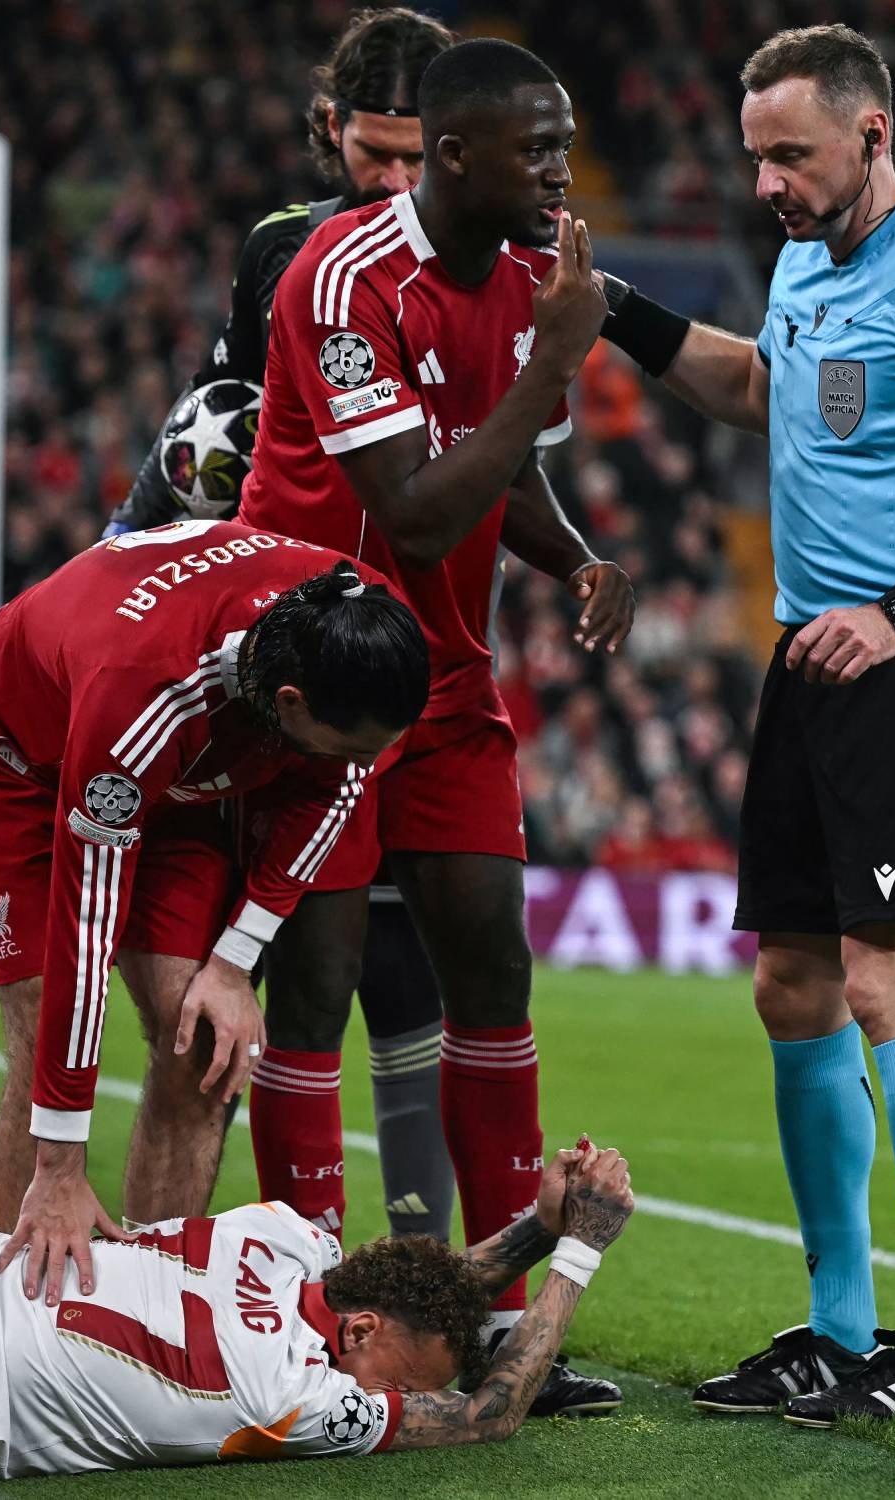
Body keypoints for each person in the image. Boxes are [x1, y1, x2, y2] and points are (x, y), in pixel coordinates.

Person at [591, 24, 895, 1423]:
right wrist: (615, 305)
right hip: (813, 658)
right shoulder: (809, 262)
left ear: (872, 136)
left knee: (884, 979)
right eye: (755, 159)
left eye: (790, 156)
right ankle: (838, 1326)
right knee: (790, 985)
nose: (767, 187)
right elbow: (762, 391)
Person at [236, 35, 633, 1417]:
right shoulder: (340, 280)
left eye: (564, 144)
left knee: (495, 978)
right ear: (455, 157)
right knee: (318, 989)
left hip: (452, 685)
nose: (557, 172)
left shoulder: (532, 280)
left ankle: (506, 1332)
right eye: (535, 149)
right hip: (325, 691)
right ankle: (310, 1315)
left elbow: (497, 471)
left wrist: (572, 551)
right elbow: (409, 506)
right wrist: (556, 365)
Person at [105, 6, 462, 1247]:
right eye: (377, 153)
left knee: (420, 979)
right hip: (304, 655)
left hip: (435, 655)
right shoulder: (284, 252)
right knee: (306, 974)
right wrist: (123, 545)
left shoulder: (496, 251)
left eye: (422, 157)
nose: (398, 182)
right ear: (330, 130)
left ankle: (428, 1272)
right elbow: (222, 419)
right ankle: (293, 1274)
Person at [0, 526, 428, 1307]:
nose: (360, 763)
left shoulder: (360, 626)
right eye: (347, 748)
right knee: (40, 1009)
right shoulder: (146, 693)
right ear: (289, 704)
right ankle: (21, 1329)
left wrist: (233, 964)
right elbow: (87, 932)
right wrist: (62, 1163)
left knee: (201, 1041)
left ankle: (148, 1319)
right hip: (15, 760)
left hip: (188, 774)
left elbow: (337, 788)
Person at [0, 1143, 635, 1478]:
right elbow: (488, 1416)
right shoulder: (290, 1397)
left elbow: (411, 1291)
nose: (405, 1403)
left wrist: (536, 1229)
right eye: (403, 1384)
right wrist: (582, 1247)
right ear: (355, 1333)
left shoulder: (281, 1237)